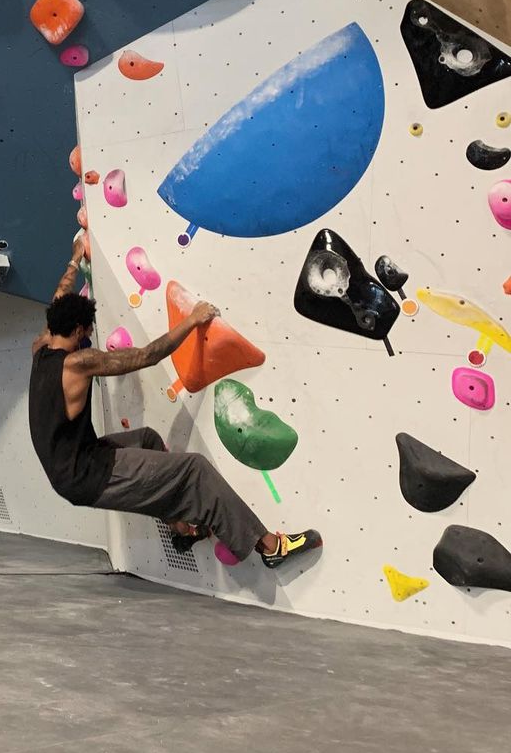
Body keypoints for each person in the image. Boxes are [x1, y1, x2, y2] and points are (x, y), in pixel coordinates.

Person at [28, 237, 322, 569]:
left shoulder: (41, 347)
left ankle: (181, 529)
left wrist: (75, 259)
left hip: (72, 464)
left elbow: (60, 296)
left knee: (147, 440)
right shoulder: (78, 363)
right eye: (86, 332)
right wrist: (193, 319)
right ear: (79, 329)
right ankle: (270, 546)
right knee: (194, 469)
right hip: (87, 474)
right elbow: (146, 356)